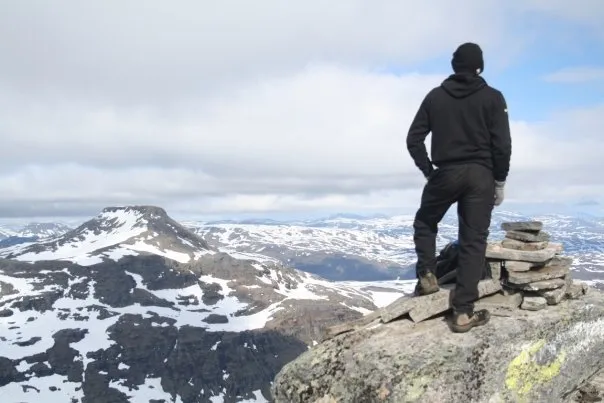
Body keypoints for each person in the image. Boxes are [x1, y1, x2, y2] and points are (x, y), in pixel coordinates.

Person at [406, 42, 512, 333]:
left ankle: (427, 277)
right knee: (473, 239)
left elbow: (413, 139)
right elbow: (502, 145)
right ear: (480, 67)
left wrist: (429, 171)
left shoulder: (435, 97)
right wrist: (499, 181)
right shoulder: (493, 98)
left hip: (445, 173)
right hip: (481, 175)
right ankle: (463, 312)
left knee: (425, 222)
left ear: (454, 66)